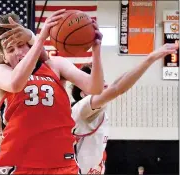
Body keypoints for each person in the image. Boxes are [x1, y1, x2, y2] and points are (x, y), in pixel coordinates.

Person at [0, 10, 104, 174]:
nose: (18, 52)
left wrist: (96, 50)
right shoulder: (1, 71)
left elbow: (95, 88)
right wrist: (40, 38)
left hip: (63, 163)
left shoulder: (54, 66)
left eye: (21, 45)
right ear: (5, 57)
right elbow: (15, 84)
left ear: (30, 46)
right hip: (22, 164)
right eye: (10, 49)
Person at [71, 43, 178, 174]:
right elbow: (117, 88)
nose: (105, 84)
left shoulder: (95, 110)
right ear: (84, 93)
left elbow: (117, 83)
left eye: (103, 80)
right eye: (98, 82)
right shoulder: (82, 109)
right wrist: (151, 58)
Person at [0, 18, 44, 174]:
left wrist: (31, 36)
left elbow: (45, 59)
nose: (4, 43)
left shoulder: (28, 74)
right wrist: (26, 130)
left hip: (24, 155)